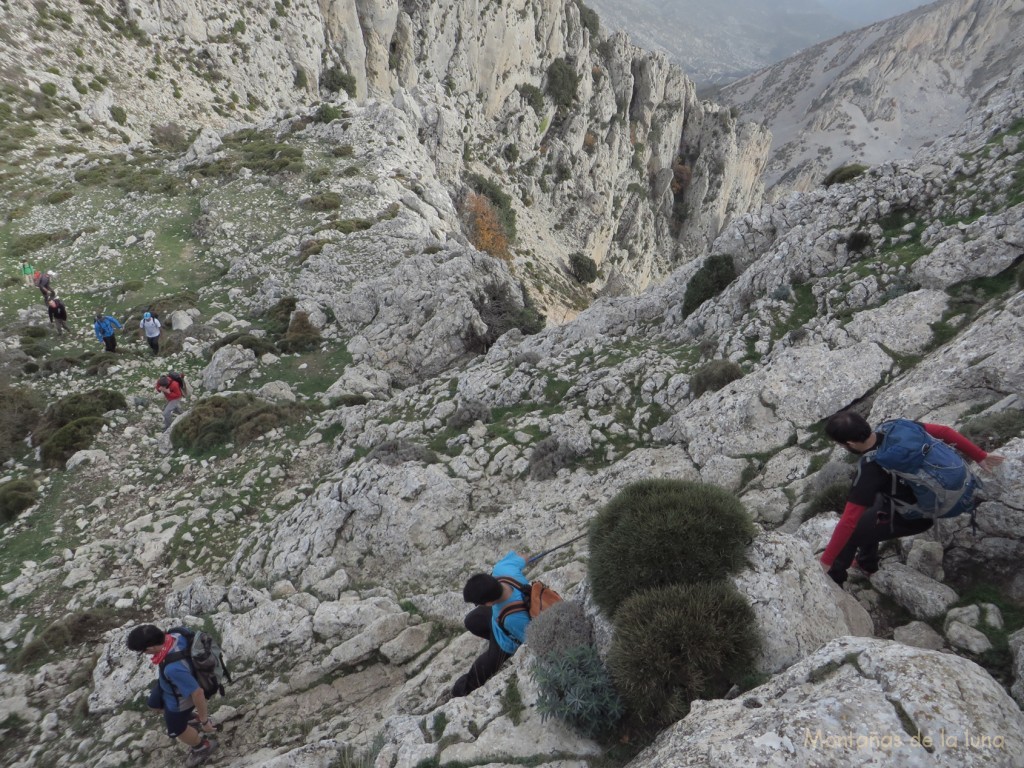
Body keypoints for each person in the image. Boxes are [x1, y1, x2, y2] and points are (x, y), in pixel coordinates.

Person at [820, 410, 1004, 586]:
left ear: (849, 443)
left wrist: (826, 560)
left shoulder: (870, 469)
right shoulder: (898, 428)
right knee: (869, 510)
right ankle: (866, 563)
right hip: (943, 492)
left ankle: (832, 578)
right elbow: (944, 431)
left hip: (916, 517)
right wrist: (980, 456)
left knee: (852, 531)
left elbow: (848, 522)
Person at [126, 625, 218, 767]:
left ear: (150, 648)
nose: (144, 653)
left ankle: (201, 747)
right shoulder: (176, 633)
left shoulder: (173, 668)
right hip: (169, 685)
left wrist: (205, 721)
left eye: (142, 651)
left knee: (177, 730)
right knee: (153, 705)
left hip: (179, 699)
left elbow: (197, 693)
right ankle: (192, 719)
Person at [451, 550, 533, 697]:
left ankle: (459, 694)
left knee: (478, 673)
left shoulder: (513, 618)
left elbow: (531, 641)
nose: (477, 605)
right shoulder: (502, 570)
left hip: (506, 641)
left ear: (489, 602)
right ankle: (492, 634)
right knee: (471, 621)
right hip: (499, 619)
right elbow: (524, 556)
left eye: (477, 603)